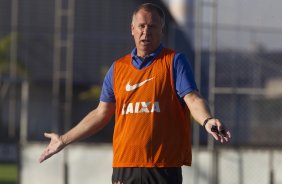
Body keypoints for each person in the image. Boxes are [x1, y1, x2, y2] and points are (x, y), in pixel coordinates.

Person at [39, 3, 231, 184]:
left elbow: (193, 98)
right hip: (125, 166)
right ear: (132, 29)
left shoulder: (174, 61)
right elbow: (100, 113)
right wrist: (63, 140)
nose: (146, 32)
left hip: (162, 167)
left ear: (162, 31)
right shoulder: (118, 68)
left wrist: (207, 120)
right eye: (141, 26)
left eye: (152, 27)